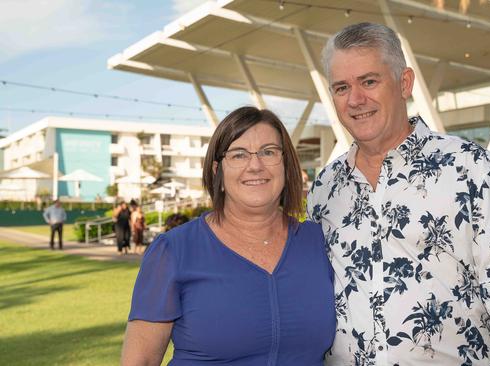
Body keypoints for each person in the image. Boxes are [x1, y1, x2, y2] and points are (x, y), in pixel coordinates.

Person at [307, 23, 490, 365]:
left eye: (369, 81)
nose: (355, 99)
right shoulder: (324, 190)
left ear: (404, 82)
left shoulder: (471, 169)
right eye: (341, 87)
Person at [121, 106, 335, 365]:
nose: (255, 166)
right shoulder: (174, 251)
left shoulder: (319, 241)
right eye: (238, 155)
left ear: (286, 165)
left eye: (269, 152)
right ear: (217, 171)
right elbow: (140, 360)